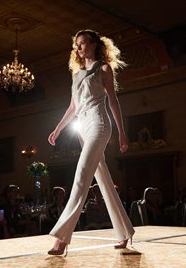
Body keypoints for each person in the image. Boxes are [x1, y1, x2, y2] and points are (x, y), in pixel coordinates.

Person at [46, 29, 134, 255]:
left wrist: (122, 133)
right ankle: (125, 233)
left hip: (99, 125)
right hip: (82, 130)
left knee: (81, 176)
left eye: (84, 43)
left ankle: (62, 239)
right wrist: (57, 128)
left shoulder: (103, 69)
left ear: (94, 44)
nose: (80, 47)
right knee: (104, 181)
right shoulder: (76, 75)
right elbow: (73, 107)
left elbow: (113, 102)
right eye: (77, 44)